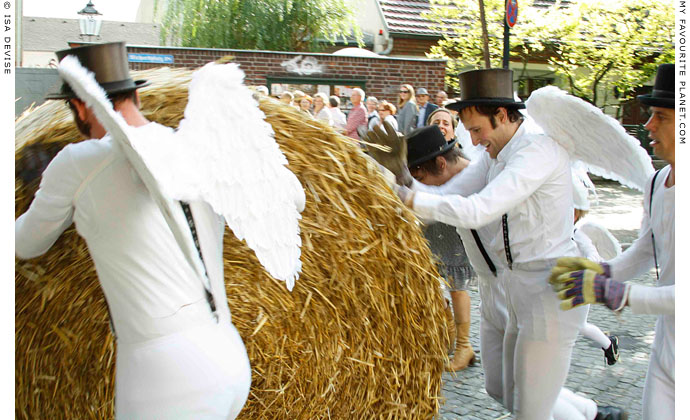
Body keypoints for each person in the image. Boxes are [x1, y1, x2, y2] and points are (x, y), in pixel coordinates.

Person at [363, 68, 624, 420]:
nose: (472, 141)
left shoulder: (537, 151)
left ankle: (594, 416)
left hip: (550, 288)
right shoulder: (494, 153)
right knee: (501, 389)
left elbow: (477, 210)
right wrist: (402, 177)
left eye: (476, 130)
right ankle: (595, 414)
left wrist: (404, 195)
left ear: (501, 115)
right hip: (517, 287)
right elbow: (443, 196)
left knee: (531, 410)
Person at [15, 42, 252, 419]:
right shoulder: (192, 150)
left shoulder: (80, 161)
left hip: (164, 376)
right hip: (229, 356)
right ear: (135, 95)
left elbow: (27, 243)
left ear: (79, 106)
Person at [551, 63, 675, 420]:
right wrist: (600, 272)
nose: (648, 126)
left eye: (660, 117)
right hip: (667, 347)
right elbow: (647, 247)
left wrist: (620, 294)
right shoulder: (656, 183)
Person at [406, 125, 480, 372]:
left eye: (422, 180)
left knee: (457, 287)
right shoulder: (443, 172)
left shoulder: (475, 174)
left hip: (457, 236)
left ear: (440, 163)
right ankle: (448, 334)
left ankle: (464, 346)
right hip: (433, 233)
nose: (421, 187)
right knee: (431, 283)